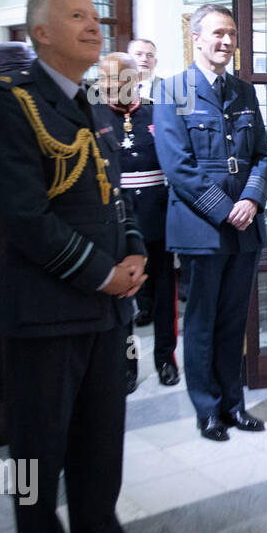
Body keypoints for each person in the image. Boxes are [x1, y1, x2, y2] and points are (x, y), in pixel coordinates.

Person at [0, 0, 167, 533]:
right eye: (77, 17)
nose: (94, 25)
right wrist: (100, 274)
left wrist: (135, 250)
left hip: (104, 310)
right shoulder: (11, 104)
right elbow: (24, 218)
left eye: (95, 15)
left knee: (99, 436)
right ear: (42, 34)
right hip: (47, 314)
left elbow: (113, 196)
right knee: (40, 449)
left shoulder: (91, 103)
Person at [154, 4, 267, 441]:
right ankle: (207, 409)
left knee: (233, 322)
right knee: (202, 323)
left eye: (232, 34)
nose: (226, 41)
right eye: (218, 34)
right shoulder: (173, 90)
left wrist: (251, 199)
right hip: (202, 229)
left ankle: (233, 404)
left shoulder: (243, 91)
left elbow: (263, 155)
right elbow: (178, 167)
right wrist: (226, 209)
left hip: (245, 229)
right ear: (197, 39)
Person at [95, 51, 178, 392]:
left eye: (120, 77)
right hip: (114, 220)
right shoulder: (91, 114)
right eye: (105, 79)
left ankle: (165, 360)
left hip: (157, 215)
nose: (113, 85)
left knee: (162, 296)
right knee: (122, 298)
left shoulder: (157, 111)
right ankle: (125, 365)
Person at [128, 37, 163, 328]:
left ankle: (153, 306)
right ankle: (139, 305)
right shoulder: (105, 94)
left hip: (159, 189)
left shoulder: (168, 91)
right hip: (125, 194)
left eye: (150, 55)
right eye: (138, 54)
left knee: (158, 256)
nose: (144, 59)